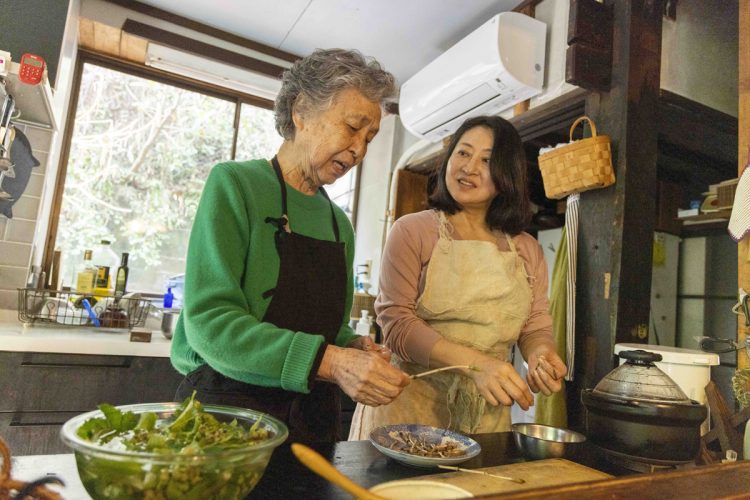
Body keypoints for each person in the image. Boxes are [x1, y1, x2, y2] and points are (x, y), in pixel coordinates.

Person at [170, 48, 410, 443]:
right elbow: (210, 323)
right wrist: (333, 361)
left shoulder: (339, 225)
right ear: (302, 112)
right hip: (226, 417)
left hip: (313, 422)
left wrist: (354, 346)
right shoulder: (235, 185)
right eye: (352, 128)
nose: (360, 150)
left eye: (370, 138)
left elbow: (327, 329)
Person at [349, 115, 567, 439]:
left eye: (487, 160)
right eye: (463, 153)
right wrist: (475, 364)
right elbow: (397, 326)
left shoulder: (527, 250)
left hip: (485, 424)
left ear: (506, 174)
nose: (469, 167)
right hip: (407, 415)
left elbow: (535, 328)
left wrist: (541, 355)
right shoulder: (413, 231)